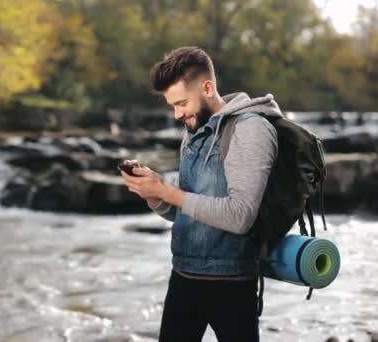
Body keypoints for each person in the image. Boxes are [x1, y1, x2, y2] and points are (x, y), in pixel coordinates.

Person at [119, 46, 281, 342]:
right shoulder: (195, 129)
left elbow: (240, 216)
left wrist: (169, 191)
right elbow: (186, 207)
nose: (177, 114)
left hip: (231, 284)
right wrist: (154, 193)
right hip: (183, 276)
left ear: (208, 88)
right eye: (172, 106)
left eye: (181, 103)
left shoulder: (251, 129)